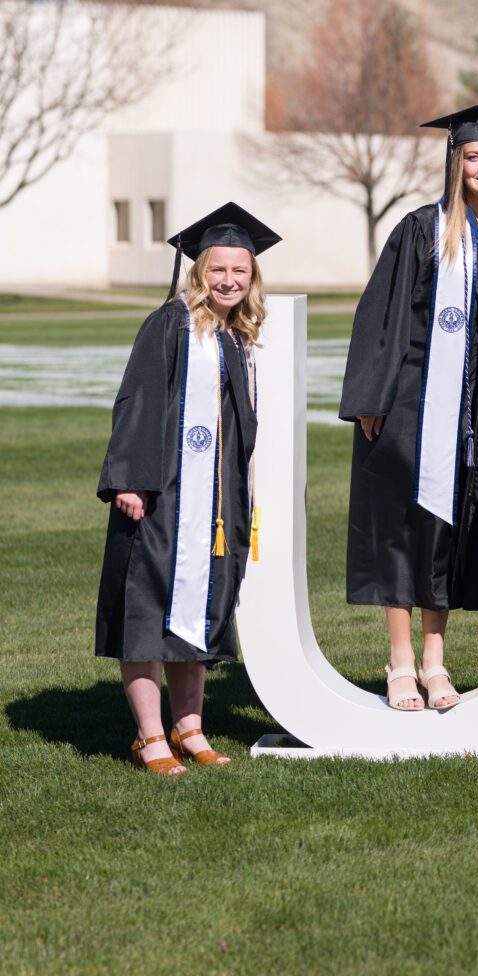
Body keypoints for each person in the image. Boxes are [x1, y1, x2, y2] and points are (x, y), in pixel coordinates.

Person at [339, 103, 478, 712]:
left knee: (447, 533)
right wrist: (370, 399)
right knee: (402, 531)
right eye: (474, 157)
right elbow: (380, 315)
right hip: (410, 408)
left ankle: (436, 663)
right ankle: (399, 663)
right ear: (456, 163)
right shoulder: (422, 227)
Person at [96, 203, 281, 773]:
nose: (228, 280)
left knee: (202, 607)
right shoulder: (170, 323)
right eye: (218, 269)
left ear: (252, 278)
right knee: (149, 607)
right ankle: (149, 737)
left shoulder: (233, 335)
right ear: (198, 271)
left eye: (240, 272)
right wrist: (130, 480)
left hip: (214, 501)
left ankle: (190, 729)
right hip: (162, 496)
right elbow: (138, 400)